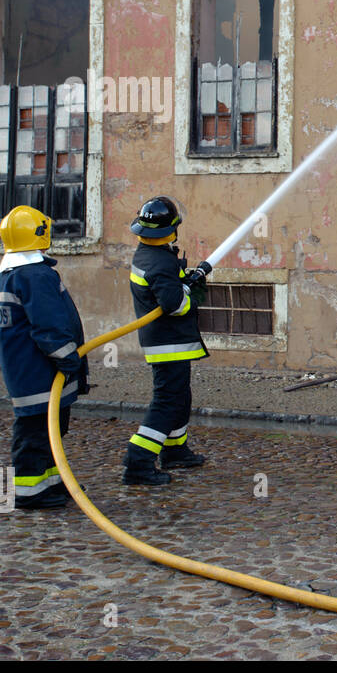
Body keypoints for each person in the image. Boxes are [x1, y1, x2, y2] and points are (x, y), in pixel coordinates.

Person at [0, 205, 89, 511]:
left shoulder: (12, 274)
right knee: (36, 432)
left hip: (27, 371)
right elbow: (49, 324)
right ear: (41, 235)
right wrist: (67, 358)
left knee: (50, 431)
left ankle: (51, 482)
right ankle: (30, 492)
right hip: (42, 373)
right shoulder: (36, 275)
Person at [123, 196, 209, 485]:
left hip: (167, 342)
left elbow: (167, 287)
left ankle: (174, 450)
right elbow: (174, 304)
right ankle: (138, 461)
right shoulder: (159, 261)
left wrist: (185, 278)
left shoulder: (149, 254)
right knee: (167, 402)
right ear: (171, 230)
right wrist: (190, 295)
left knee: (180, 398)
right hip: (167, 343)